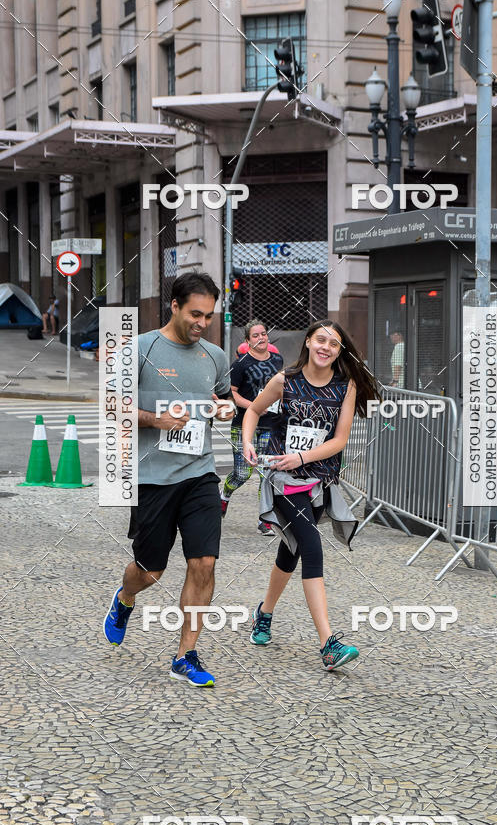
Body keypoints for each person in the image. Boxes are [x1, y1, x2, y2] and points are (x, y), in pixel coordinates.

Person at [103, 272, 236, 687]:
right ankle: (125, 599)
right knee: (150, 571)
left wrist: (226, 411)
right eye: (195, 314)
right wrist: (154, 419)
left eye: (209, 316)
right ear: (174, 306)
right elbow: (111, 407)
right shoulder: (139, 348)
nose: (202, 323)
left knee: (204, 563)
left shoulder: (215, 355)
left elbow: (221, 399)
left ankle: (185, 655)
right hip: (152, 478)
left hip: (199, 474)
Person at [242, 319, 379, 671]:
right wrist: (246, 443)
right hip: (284, 481)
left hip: (319, 481)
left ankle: (264, 613)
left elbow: (339, 441)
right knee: (312, 548)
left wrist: (303, 456)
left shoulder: (345, 387)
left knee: (292, 550)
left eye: (333, 344)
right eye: (321, 340)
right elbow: (254, 410)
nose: (326, 348)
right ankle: (328, 644)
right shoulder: (285, 381)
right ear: (307, 342)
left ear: (338, 351)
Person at [221, 319, 284, 535]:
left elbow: (280, 388)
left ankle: (264, 519)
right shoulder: (240, 364)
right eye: (255, 336)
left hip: (270, 425)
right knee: (242, 473)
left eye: (263, 334)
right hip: (244, 425)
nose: (260, 338)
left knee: (267, 474)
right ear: (248, 341)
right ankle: (225, 495)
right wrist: (254, 407)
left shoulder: (277, 360)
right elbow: (232, 394)